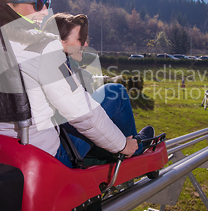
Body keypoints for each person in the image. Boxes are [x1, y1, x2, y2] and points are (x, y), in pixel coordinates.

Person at [0, 0, 153, 168]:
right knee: (115, 92)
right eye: (38, 3)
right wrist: (122, 145)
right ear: (10, 6)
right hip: (44, 157)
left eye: (46, 4)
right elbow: (82, 113)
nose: (45, 11)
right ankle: (133, 152)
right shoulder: (42, 46)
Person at [42, 13, 153, 162]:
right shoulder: (57, 68)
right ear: (61, 42)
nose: (85, 44)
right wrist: (123, 145)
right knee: (116, 92)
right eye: (79, 39)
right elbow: (86, 117)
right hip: (60, 154)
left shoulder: (41, 62)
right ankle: (136, 147)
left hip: (50, 145)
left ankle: (130, 142)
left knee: (106, 96)